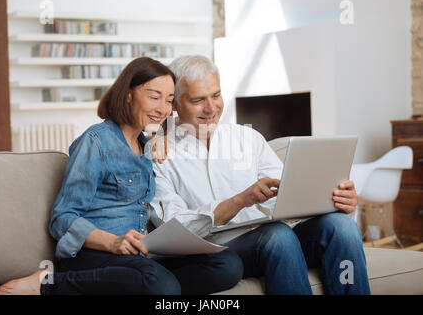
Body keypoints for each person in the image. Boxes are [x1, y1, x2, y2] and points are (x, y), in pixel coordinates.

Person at [0, 57, 243, 295]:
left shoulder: (146, 144)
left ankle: (152, 286)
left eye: (169, 100)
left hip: (136, 256)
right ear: (128, 94)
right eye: (154, 97)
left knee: (227, 265)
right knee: (161, 284)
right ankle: (48, 285)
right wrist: (113, 242)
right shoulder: (96, 142)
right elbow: (63, 218)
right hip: (95, 255)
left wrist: (162, 136)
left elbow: (173, 121)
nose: (163, 108)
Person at [149, 55, 371, 295]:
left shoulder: (248, 139)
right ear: (174, 104)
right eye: (198, 100)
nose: (211, 108)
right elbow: (171, 228)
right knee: (278, 236)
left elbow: (288, 197)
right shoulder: (159, 155)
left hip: (275, 237)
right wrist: (238, 201)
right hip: (220, 253)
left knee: (341, 227)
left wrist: (336, 202)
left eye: (216, 95)